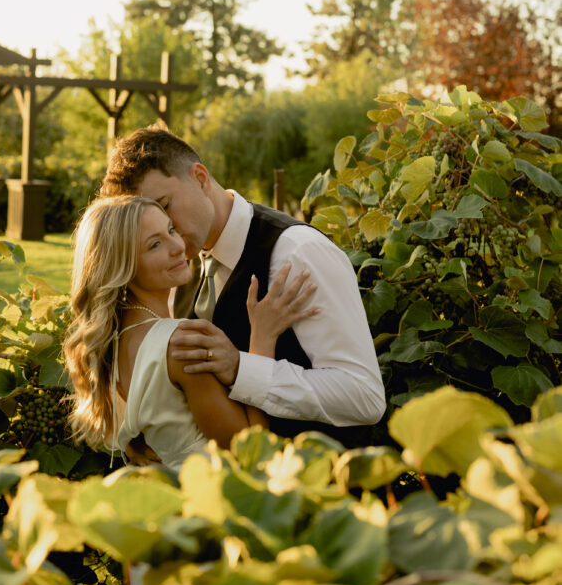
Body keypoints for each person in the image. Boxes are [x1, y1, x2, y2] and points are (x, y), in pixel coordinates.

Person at [101, 126, 386, 444]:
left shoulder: (296, 252)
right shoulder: (180, 267)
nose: (167, 235)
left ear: (200, 178)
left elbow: (364, 396)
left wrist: (241, 369)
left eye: (165, 207)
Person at [63, 194, 318, 471]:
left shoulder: (115, 340)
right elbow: (252, 453)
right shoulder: (180, 345)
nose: (177, 246)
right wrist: (263, 338)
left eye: (170, 229)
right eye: (154, 244)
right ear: (124, 266)